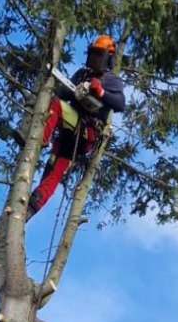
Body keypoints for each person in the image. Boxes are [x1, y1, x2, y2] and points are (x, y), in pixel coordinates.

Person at [26, 35, 126, 219]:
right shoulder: (82, 74)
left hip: (87, 132)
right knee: (52, 170)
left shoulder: (111, 79)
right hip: (67, 133)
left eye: (99, 55)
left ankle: (38, 141)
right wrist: (77, 90)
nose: (94, 59)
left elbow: (120, 104)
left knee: (55, 105)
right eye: (93, 54)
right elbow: (63, 92)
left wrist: (101, 92)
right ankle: (32, 208)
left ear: (108, 57)